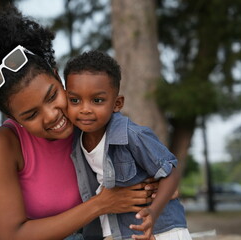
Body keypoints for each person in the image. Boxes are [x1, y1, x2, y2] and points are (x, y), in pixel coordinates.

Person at [0, 5, 165, 240]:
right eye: (31, 115)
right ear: (13, 119)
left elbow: (150, 176)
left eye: (52, 96)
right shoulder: (4, 143)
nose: (52, 115)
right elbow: (12, 235)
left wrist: (160, 190)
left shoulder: (90, 120)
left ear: (57, 76)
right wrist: (101, 204)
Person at [64, 51, 192, 240]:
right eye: (75, 100)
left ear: (117, 103)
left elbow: (170, 174)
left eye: (97, 100)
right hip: (122, 231)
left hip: (160, 229)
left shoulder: (132, 135)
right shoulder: (76, 139)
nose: (85, 109)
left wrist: (153, 213)